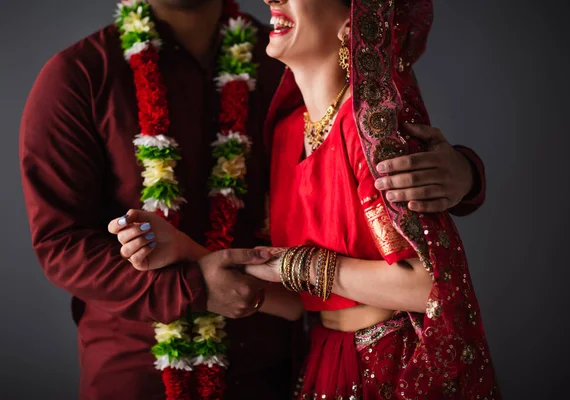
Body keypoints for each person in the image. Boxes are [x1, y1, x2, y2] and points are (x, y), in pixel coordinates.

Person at [21, 0, 487, 398]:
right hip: (140, 373)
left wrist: (461, 172)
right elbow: (60, 243)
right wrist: (192, 274)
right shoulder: (82, 75)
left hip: (279, 370)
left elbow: (379, 170)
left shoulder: (281, 59)